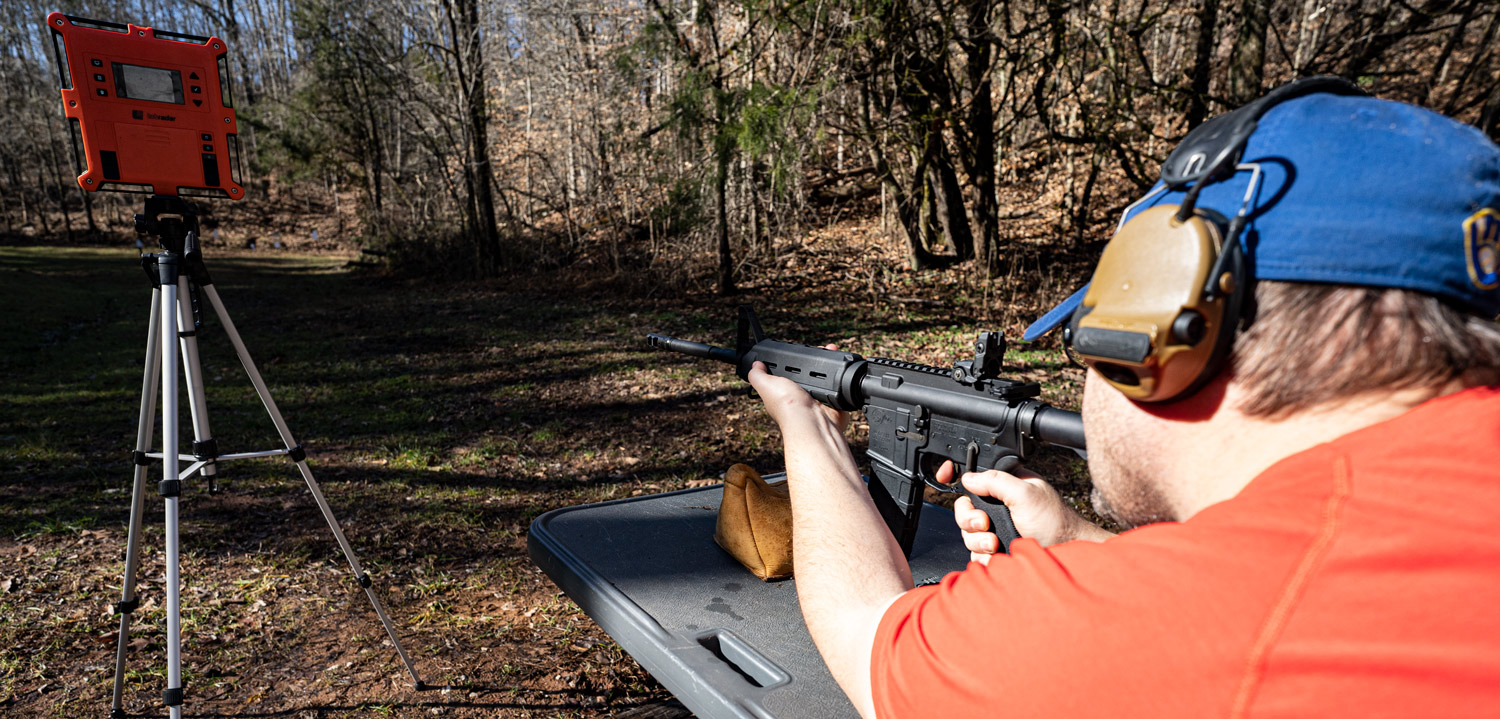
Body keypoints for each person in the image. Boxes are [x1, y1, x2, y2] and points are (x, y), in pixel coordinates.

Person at [746, 86, 1500, 718]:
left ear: (1167, 332)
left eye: (1095, 330)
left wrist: (806, 428)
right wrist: (1083, 542)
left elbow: (869, 639)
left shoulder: (1209, 618)